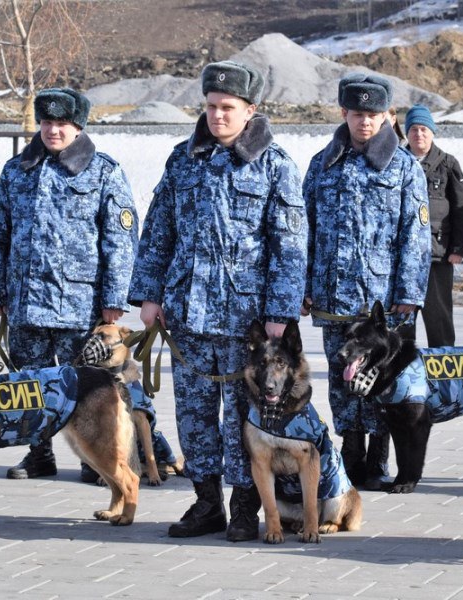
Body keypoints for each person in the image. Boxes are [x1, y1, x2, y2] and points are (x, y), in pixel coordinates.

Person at [128, 60, 307, 541]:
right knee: (194, 416)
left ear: (251, 110)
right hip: (187, 316)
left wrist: (279, 315)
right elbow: (158, 230)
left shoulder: (275, 166)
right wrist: (148, 294)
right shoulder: (183, 160)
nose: (217, 116)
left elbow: (289, 246)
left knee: (244, 421)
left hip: (244, 324)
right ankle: (206, 503)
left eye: (228, 107)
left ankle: (246, 504)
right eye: (210, 106)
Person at [0, 87, 138, 482]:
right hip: (26, 301)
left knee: (85, 387)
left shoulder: (104, 171)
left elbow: (119, 240)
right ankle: (39, 454)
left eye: (62, 123)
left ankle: (92, 457)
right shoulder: (18, 171)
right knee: (30, 385)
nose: (53, 130)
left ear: (79, 126)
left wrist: (114, 299)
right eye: (47, 122)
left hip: (79, 303)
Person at [302, 73, 431, 491]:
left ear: (388, 115)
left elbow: (417, 233)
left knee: (381, 381)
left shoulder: (405, 167)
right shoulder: (322, 164)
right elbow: (302, 227)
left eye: (373, 114)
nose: (365, 122)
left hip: (383, 305)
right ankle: (351, 457)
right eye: (357, 114)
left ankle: (377, 459)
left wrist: (410, 294)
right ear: (344, 113)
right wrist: (301, 285)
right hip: (333, 296)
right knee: (343, 383)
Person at [404, 104, 463, 347]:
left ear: (432, 132)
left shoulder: (448, 164)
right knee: (401, 322)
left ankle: (443, 375)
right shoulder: (396, 162)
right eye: (413, 130)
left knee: (439, 318)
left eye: (423, 129)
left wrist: (458, 248)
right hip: (403, 257)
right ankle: (403, 374)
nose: (418, 134)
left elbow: (462, 207)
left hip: (438, 255)